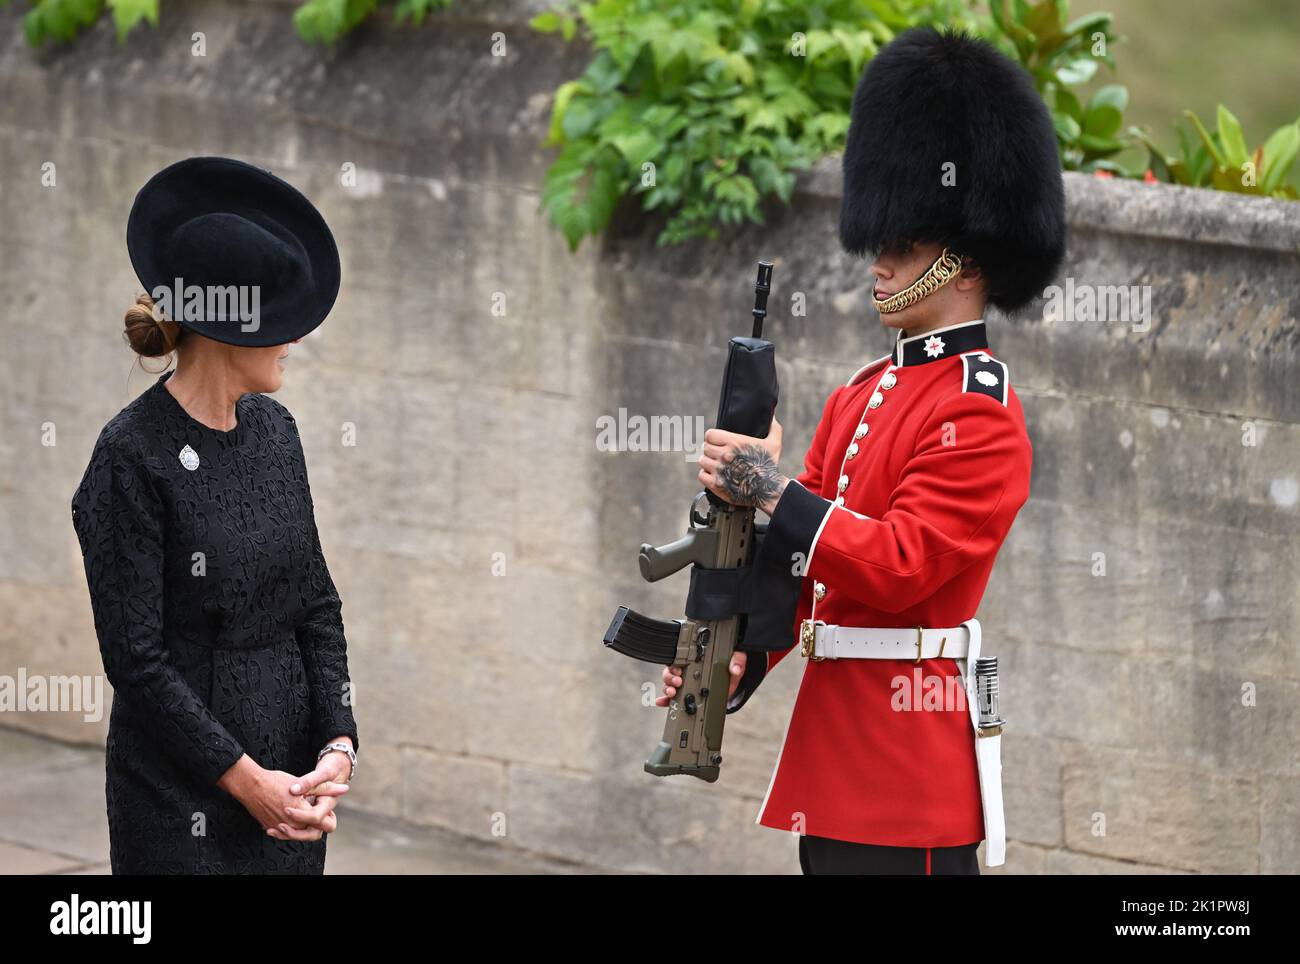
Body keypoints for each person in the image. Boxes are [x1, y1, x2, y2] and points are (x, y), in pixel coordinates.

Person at [659, 27, 1065, 874]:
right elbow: (802, 568)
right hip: (833, 756)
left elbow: (898, 565)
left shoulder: (979, 411)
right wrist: (736, 660)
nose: (878, 261)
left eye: (904, 243)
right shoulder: (860, 391)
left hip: (909, 769)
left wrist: (768, 488)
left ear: (966, 260)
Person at [70, 156, 360, 873]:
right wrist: (245, 780)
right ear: (231, 330)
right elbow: (137, 662)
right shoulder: (130, 456)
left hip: (290, 795)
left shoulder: (276, 433)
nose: (293, 341)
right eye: (282, 323)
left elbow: (315, 605)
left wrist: (336, 746)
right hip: (178, 803)